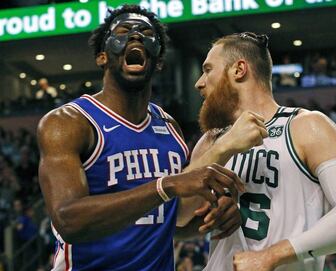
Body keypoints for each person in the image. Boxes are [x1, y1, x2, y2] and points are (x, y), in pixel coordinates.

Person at [37, 6, 267, 271]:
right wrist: (165, 186)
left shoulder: (169, 127)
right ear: (102, 57)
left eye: (146, 34)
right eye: (123, 32)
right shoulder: (68, 122)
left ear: (157, 61)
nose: (135, 37)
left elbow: (170, 224)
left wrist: (212, 218)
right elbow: (69, 222)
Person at [191, 32, 336, 271]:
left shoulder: (305, 126)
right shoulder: (212, 141)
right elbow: (177, 220)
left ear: (239, 70)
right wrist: (223, 148)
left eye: (208, 70)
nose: (199, 82)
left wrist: (271, 256)